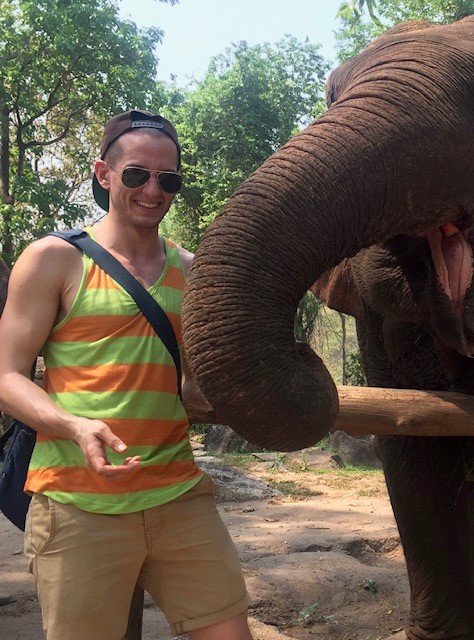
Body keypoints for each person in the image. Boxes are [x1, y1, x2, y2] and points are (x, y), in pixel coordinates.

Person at [0, 110, 254, 640]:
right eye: (137, 174)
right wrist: (75, 426)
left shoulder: (194, 269)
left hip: (178, 496)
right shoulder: (53, 259)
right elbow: (6, 376)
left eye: (169, 180)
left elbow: (189, 387)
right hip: (77, 503)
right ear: (103, 174)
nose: (152, 190)